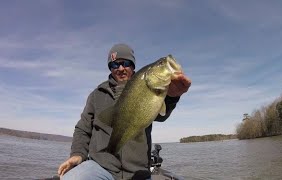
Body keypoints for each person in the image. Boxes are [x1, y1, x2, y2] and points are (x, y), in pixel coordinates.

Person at [58, 43, 191, 180]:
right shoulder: (96, 95)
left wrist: (172, 97)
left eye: (126, 63)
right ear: (110, 68)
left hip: (137, 171)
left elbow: (161, 115)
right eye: (115, 65)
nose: (121, 68)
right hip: (100, 166)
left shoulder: (147, 86)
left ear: (133, 65)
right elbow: (83, 128)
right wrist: (77, 154)